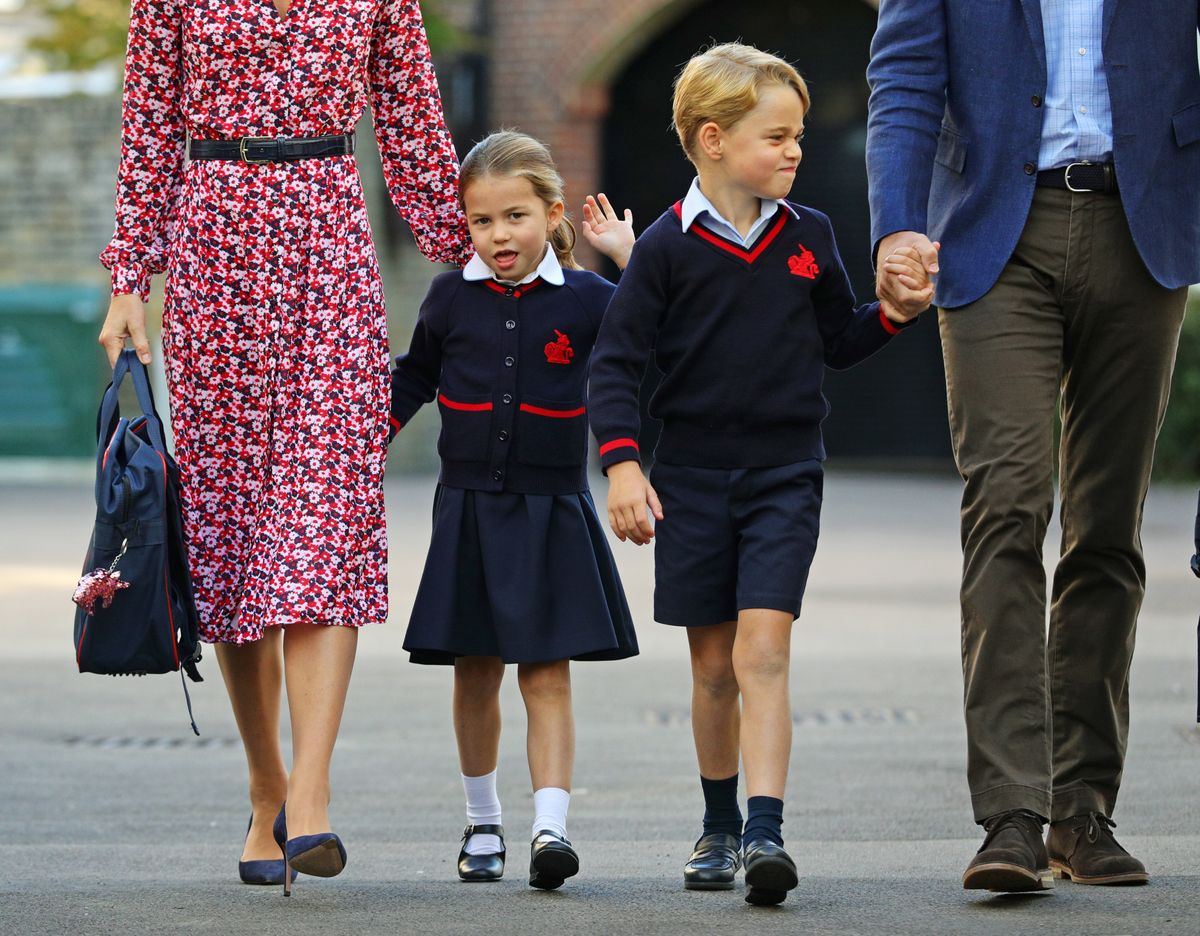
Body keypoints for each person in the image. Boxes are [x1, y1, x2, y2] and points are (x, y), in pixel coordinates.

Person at [96, 0, 471, 894]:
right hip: (213, 246)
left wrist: (491, 258)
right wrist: (128, 280)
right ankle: (266, 782)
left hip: (329, 240)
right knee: (229, 533)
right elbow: (149, 126)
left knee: (326, 515)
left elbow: (416, 124)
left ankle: (311, 791)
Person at [866, 0, 1200, 892]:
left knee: (1107, 525)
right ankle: (1012, 810)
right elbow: (902, 79)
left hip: (1146, 226)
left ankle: (1084, 809)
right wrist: (896, 220)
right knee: (1008, 503)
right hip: (991, 233)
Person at [587, 43, 932, 906]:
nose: (795, 151)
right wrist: (623, 467)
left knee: (763, 652)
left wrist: (891, 314)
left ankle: (767, 832)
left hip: (786, 474)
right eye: (776, 136)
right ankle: (717, 822)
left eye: (799, 136)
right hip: (693, 479)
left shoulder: (810, 236)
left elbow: (839, 341)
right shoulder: (663, 249)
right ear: (713, 139)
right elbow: (615, 365)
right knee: (711, 670)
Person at [389, 131, 640, 890]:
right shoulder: (448, 296)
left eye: (516, 217)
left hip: (553, 508)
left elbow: (667, 331)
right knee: (474, 670)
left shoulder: (595, 300)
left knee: (547, 671)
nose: (500, 235)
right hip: (467, 507)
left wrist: (631, 260)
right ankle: (484, 821)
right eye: (481, 221)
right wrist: (354, 446)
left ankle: (550, 830)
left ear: (552, 213)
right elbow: (414, 377)